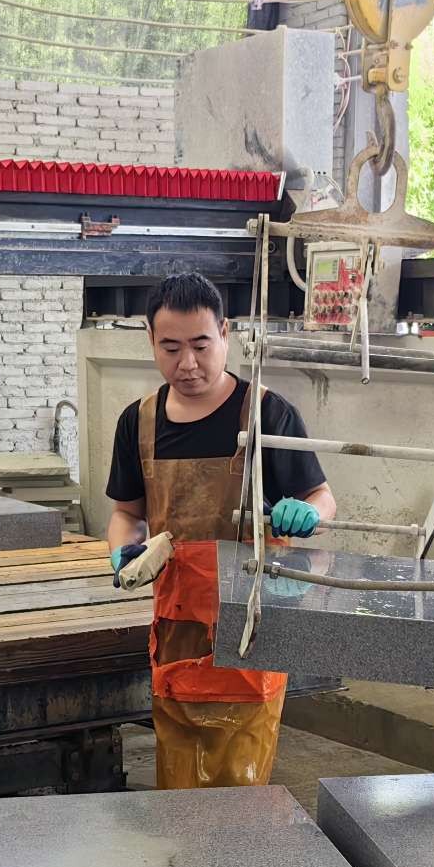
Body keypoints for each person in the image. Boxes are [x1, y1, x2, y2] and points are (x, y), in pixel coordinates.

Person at [104, 272, 337, 788]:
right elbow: (126, 513)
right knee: (177, 768)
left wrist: (308, 514)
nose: (187, 363)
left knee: (242, 773)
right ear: (151, 340)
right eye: (170, 348)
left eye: (200, 345)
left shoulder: (267, 413)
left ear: (225, 333)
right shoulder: (138, 422)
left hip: (251, 621)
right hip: (177, 626)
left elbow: (323, 497)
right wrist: (123, 550)